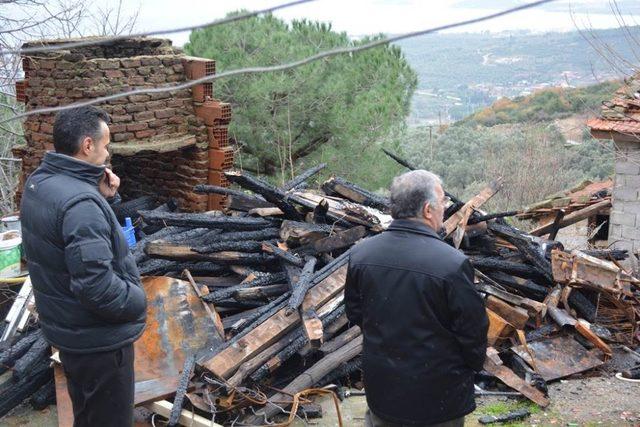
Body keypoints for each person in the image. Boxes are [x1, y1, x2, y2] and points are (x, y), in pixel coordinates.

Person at [20, 106, 147, 427]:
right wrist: (137, 300)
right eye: (105, 145)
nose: (107, 153)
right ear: (87, 146)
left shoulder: (41, 182)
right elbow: (98, 287)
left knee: (87, 417)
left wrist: (105, 199)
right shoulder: (79, 203)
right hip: (100, 344)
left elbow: (67, 245)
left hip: (69, 335)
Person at [345, 170, 489, 427]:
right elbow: (473, 333)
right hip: (438, 401)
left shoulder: (361, 254)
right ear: (427, 210)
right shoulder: (452, 264)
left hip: (383, 392)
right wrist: (469, 368)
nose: (444, 209)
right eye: (442, 202)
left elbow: (356, 314)